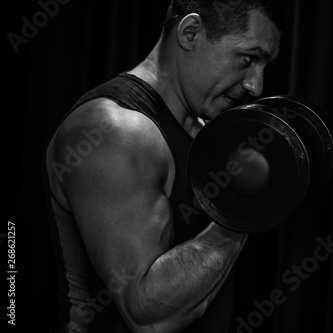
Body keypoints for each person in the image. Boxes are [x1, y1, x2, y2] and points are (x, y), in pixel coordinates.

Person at [42, 0, 286, 332]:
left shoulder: (206, 127)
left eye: (264, 65)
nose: (255, 85)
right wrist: (241, 208)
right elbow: (148, 316)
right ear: (191, 32)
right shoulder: (115, 131)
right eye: (248, 58)